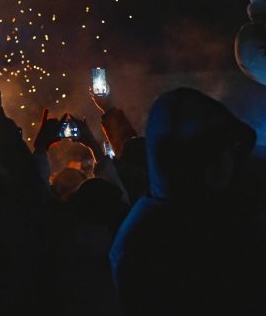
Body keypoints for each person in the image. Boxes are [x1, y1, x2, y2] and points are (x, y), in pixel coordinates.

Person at [109, 87, 266, 315]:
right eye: (222, 151)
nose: (231, 161)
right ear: (195, 162)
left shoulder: (193, 207)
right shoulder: (155, 242)